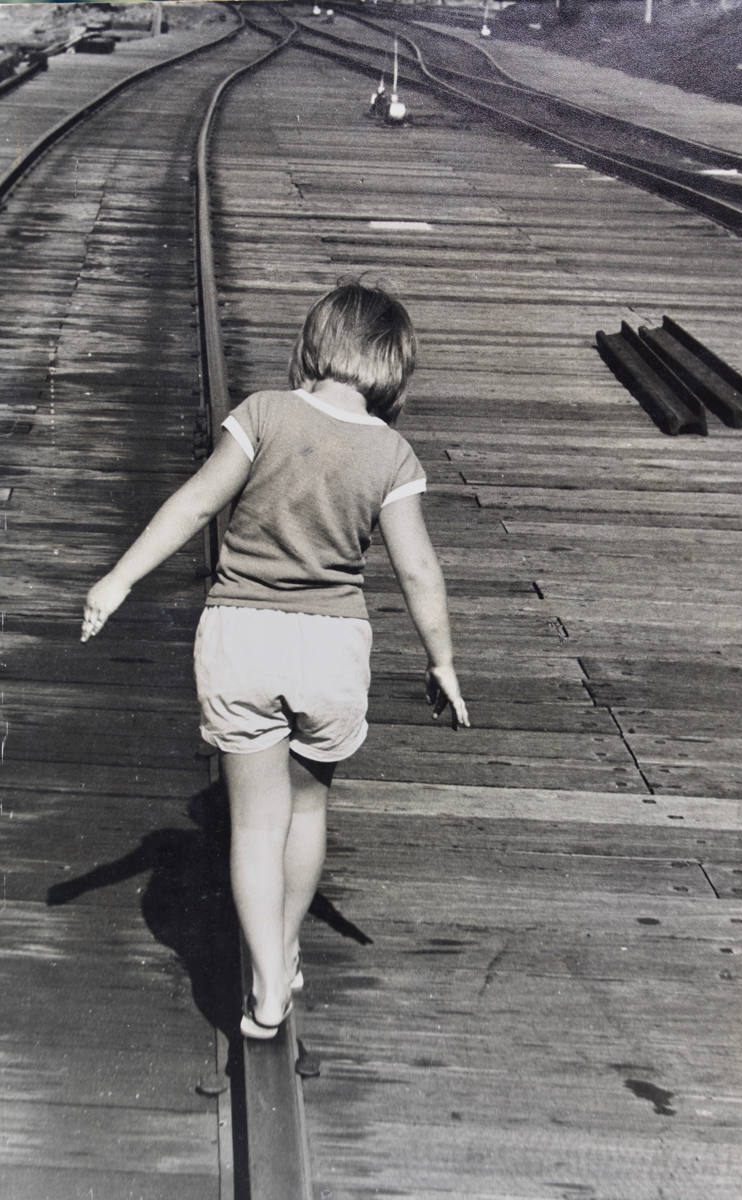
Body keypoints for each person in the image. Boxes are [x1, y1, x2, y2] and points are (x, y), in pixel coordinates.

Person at [81, 281, 469, 1039]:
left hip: (243, 638)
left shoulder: (264, 414)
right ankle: (286, 951)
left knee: (255, 828)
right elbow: (419, 570)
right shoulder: (392, 455)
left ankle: (264, 985)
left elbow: (196, 503)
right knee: (307, 810)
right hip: (330, 649)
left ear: (314, 344)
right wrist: (442, 662)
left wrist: (118, 579)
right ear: (393, 366)